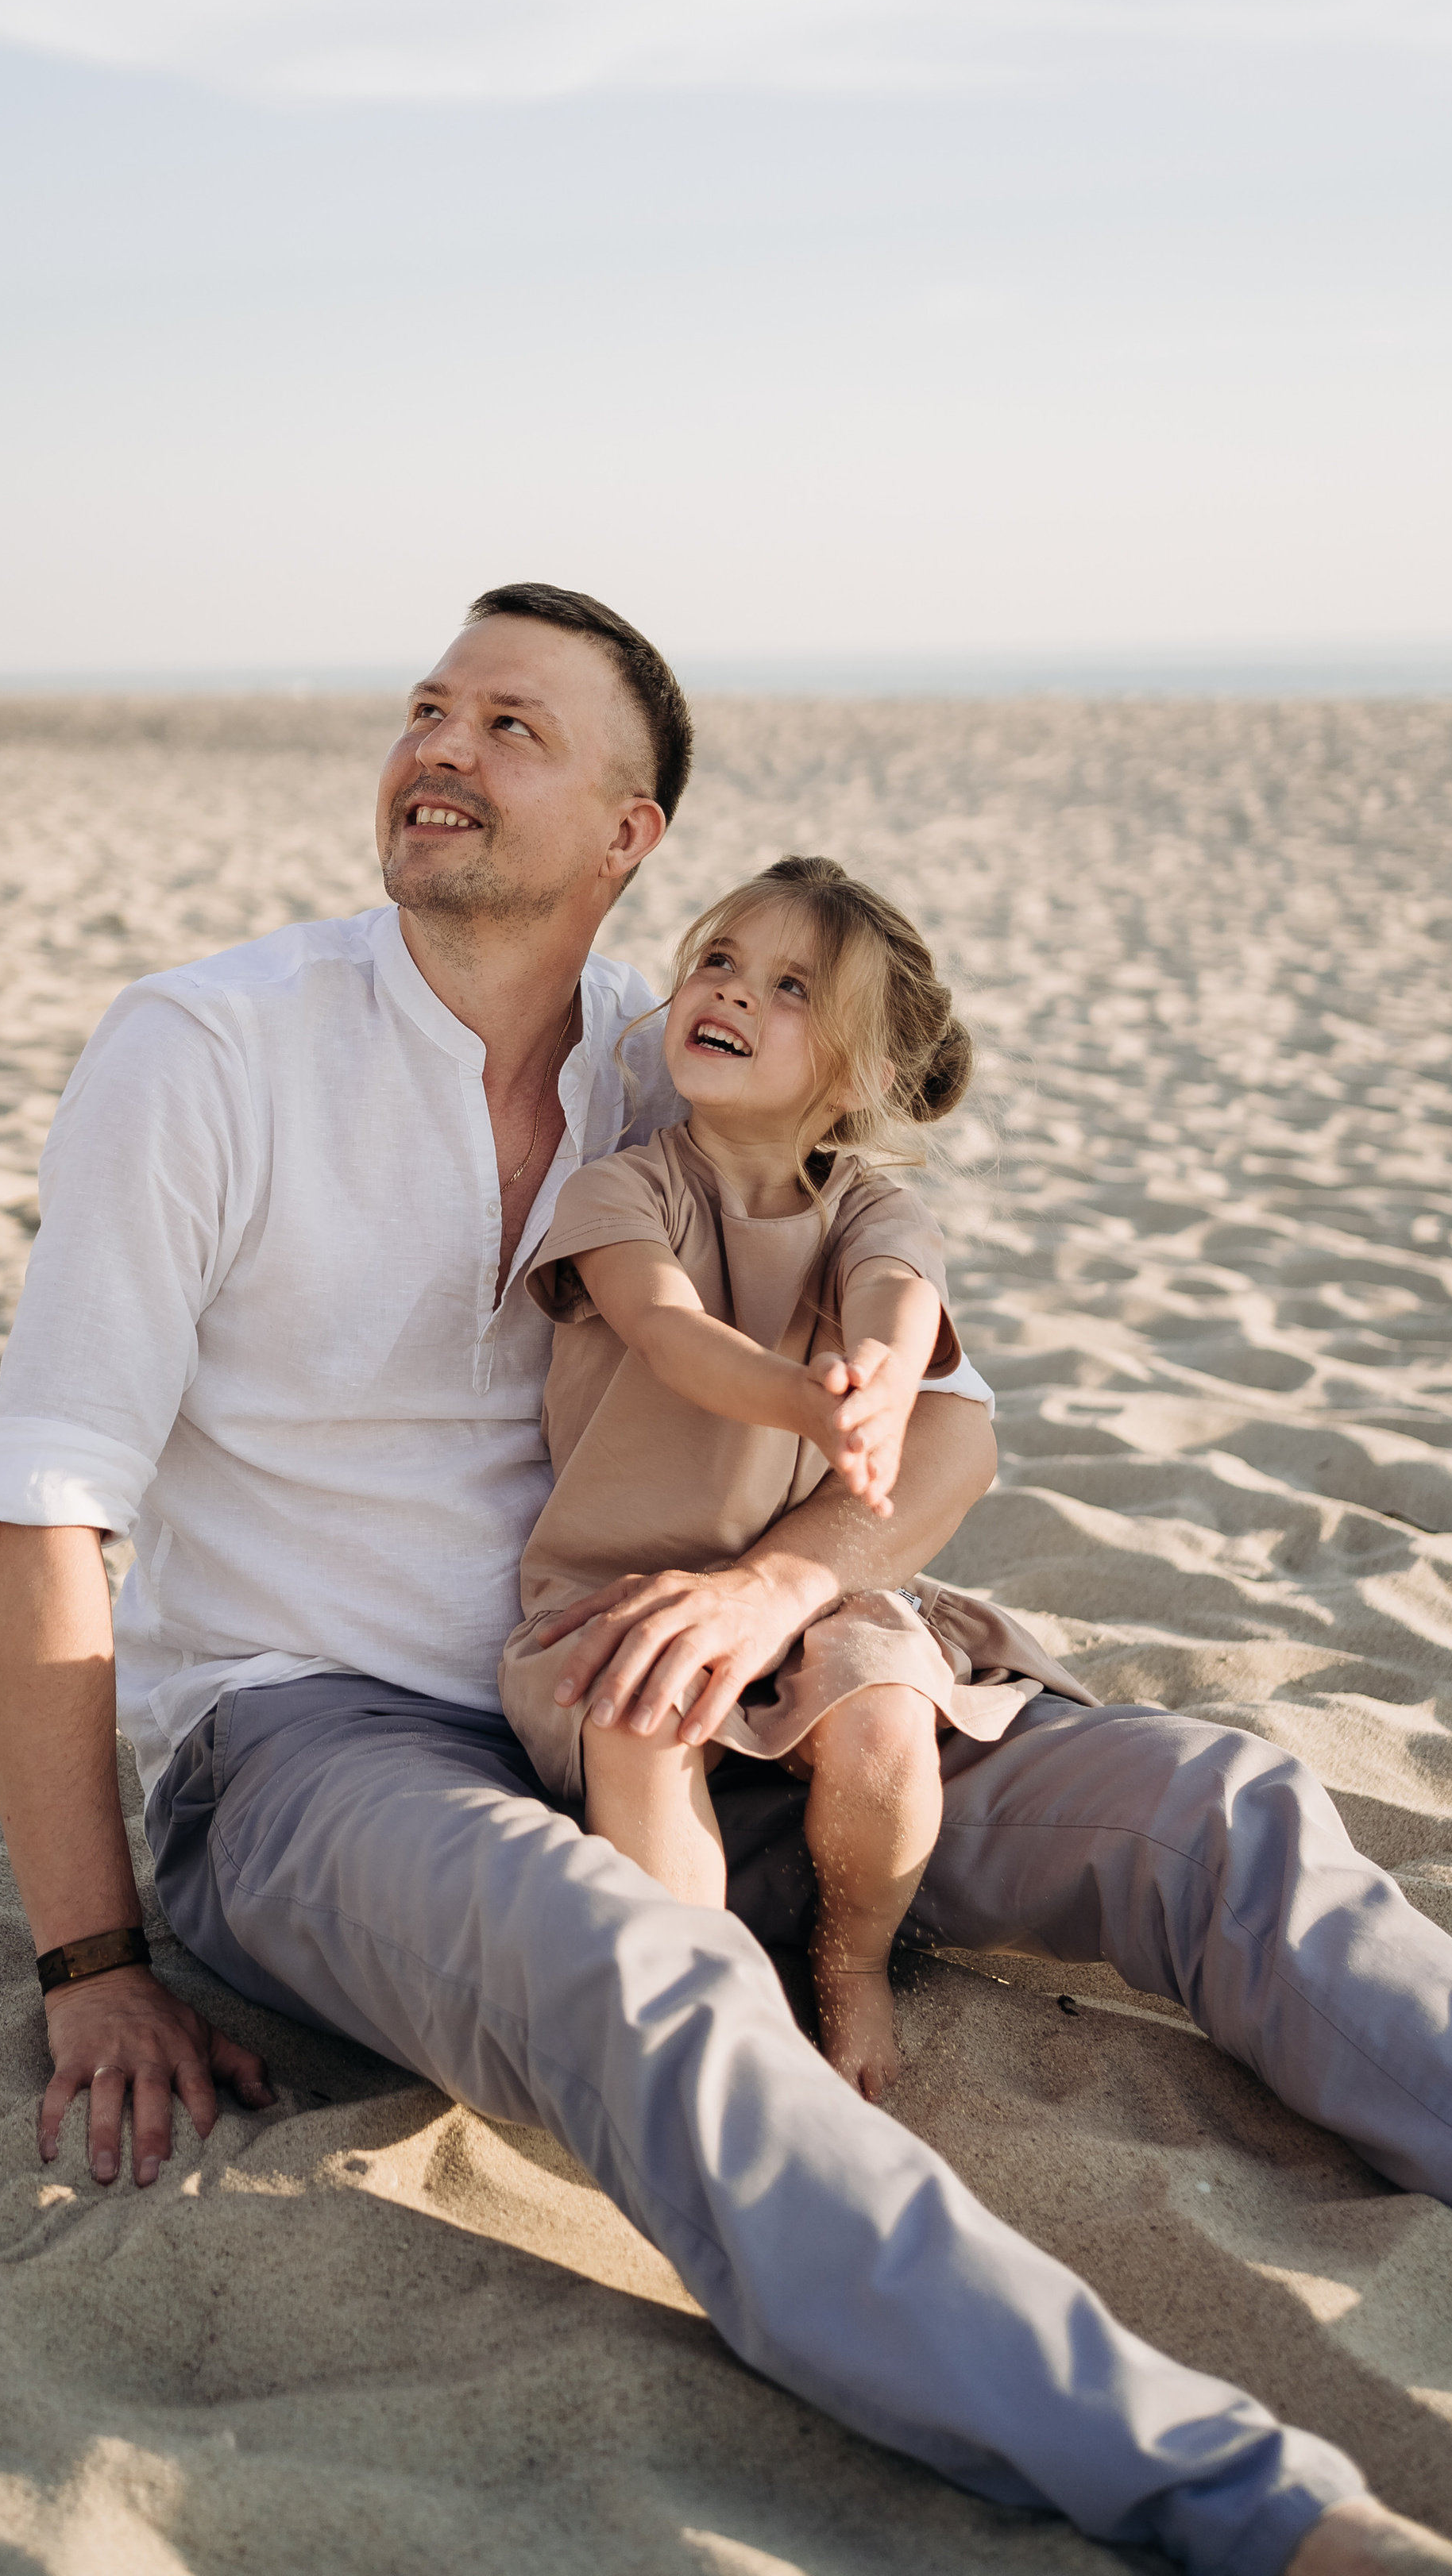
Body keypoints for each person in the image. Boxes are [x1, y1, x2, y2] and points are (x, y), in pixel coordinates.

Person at [0, 582, 1452, 2576]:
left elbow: (949, 1429)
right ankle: (1263, 2517)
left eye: (514, 728)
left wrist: (768, 1591)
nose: (442, 749)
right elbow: (41, 1510)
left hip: (729, 1682)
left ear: (631, 835)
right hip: (324, 1737)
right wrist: (91, 1967)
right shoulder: (204, 1048)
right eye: (427, 709)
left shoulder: (692, 1053)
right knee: (641, 1970)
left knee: (1210, 1806)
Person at [500, 852, 1095, 2100]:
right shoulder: (624, 1189)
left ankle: (854, 1958)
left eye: (789, 989)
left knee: (883, 1727)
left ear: (865, 1076)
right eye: (716, 962)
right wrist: (811, 1404)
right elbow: (667, 1334)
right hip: (620, 1586)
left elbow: (895, 1292)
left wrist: (879, 1374)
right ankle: (718, 2018)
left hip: (809, 1594)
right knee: (639, 1718)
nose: (729, 993)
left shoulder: (868, 1207)